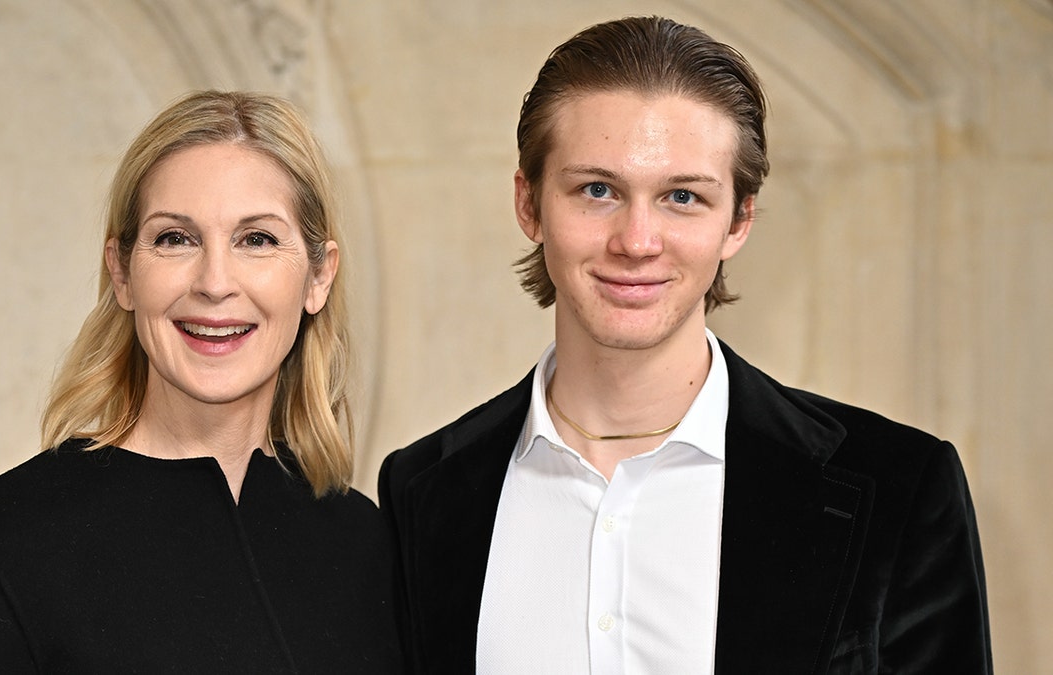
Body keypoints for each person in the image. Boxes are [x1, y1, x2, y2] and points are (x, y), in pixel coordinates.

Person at [378, 16, 991, 674]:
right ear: (529, 205)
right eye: (597, 190)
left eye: (682, 196)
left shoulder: (901, 489)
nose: (637, 241)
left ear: (739, 220)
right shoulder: (420, 491)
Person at [0, 91, 403, 674]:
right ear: (122, 272)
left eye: (257, 239)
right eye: (175, 239)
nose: (215, 283)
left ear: (318, 276)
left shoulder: (369, 547)